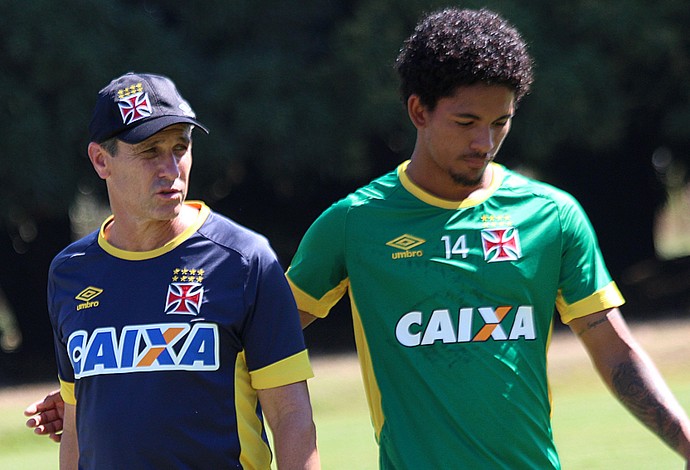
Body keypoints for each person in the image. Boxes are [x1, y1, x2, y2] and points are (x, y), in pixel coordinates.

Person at [26, 8, 690, 469]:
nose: (485, 141)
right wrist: (103, 385)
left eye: (501, 123)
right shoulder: (355, 223)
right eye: (466, 121)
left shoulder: (554, 216)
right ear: (418, 111)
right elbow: (249, 339)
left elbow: (617, 350)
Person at [27, 71, 320, 469]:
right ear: (101, 160)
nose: (170, 167)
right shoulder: (70, 272)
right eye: (149, 151)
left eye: (180, 148)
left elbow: (291, 418)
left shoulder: (244, 261)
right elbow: (78, 423)